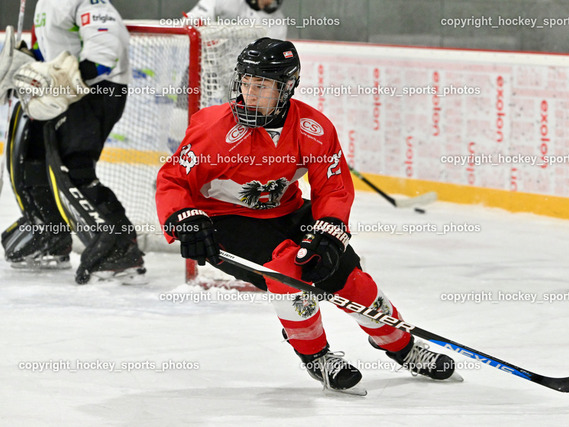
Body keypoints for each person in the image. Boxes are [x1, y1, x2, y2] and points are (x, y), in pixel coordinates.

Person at [155, 38, 456, 393]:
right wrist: (184, 219)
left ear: (287, 87)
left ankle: (404, 347)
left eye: (262, 85)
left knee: (351, 279)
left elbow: (333, 188)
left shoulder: (314, 128)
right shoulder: (213, 128)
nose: (250, 94)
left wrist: (327, 231)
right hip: (226, 220)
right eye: (247, 83)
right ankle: (317, 356)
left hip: (287, 212)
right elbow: (173, 179)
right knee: (286, 269)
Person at [0, 0, 145, 284]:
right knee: (31, 155)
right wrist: (24, 63)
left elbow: (107, 48)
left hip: (98, 91)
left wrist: (70, 76)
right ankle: (50, 231)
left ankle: (119, 250)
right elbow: (49, 51)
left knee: (74, 169)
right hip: (67, 93)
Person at [186, 0, 288, 39]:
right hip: (211, 60)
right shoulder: (229, 2)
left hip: (244, 70)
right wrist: (206, 33)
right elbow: (192, 18)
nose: (270, 2)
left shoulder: (278, 23)